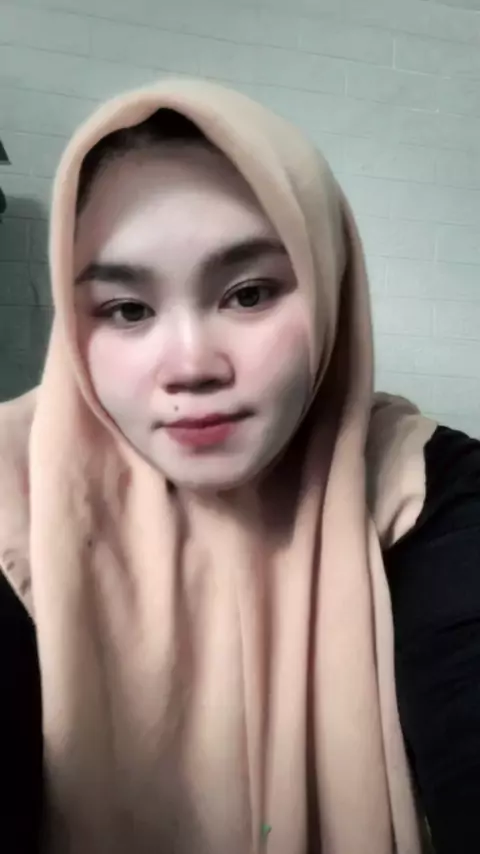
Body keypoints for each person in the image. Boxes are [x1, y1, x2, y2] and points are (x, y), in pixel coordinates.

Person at [0, 78, 478, 854]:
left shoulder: (423, 482)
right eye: (128, 309)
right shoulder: (12, 486)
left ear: (328, 288)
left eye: (250, 294)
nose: (191, 365)